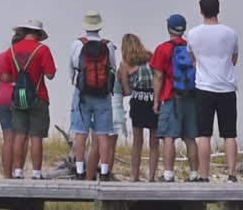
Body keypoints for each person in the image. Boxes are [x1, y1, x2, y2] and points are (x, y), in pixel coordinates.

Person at [186, 0, 240, 182]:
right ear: (218, 10)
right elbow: (234, 59)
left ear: (201, 11)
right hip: (226, 87)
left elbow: (193, 58)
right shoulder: (230, 33)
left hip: (204, 87)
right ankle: (232, 174)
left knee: (204, 134)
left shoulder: (193, 34)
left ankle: (204, 175)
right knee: (230, 134)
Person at [66, 11, 117, 182]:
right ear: (100, 26)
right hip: (103, 94)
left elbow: (72, 68)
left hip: (82, 93)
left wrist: (77, 83)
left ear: (85, 26)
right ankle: (104, 172)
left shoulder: (76, 44)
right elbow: (113, 68)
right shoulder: (108, 45)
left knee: (80, 133)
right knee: (103, 134)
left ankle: (80, 171)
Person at [3, 20, 55, 179]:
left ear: (24, 32)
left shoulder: (11, 50)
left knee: (20, 135)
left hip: (19, 97)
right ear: (39, 34)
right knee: (36, 136)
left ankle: (18, 172)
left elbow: (5, 77)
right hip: (39, 96)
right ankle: (36, 173)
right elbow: (50, 75)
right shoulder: (43, 49)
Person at [153, 14, 199, 182]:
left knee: (169, 137)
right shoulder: (191, 48)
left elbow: (158, 76)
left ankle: (168, 174)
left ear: (169, 28)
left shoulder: (162, 49)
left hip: (171, 96)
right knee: (190, 138)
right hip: (191, 97)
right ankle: (194, 174)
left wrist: (156, 100)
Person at [119, 33, 158, 182]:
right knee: (154, 142)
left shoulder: (125, 64)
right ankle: (151, 177)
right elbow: (159, 77)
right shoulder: (151, 58)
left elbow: (127, 90)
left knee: (137, 142)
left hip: (137, 101)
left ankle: (134, 176)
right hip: (153, 99)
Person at [0, 30, 25, 178]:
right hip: (21, 96)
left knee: (8, 139)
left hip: (3, 98)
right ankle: (18, 171)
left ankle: (7, 175)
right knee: (21, 137)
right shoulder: (25, 58)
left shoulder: (0, 57)